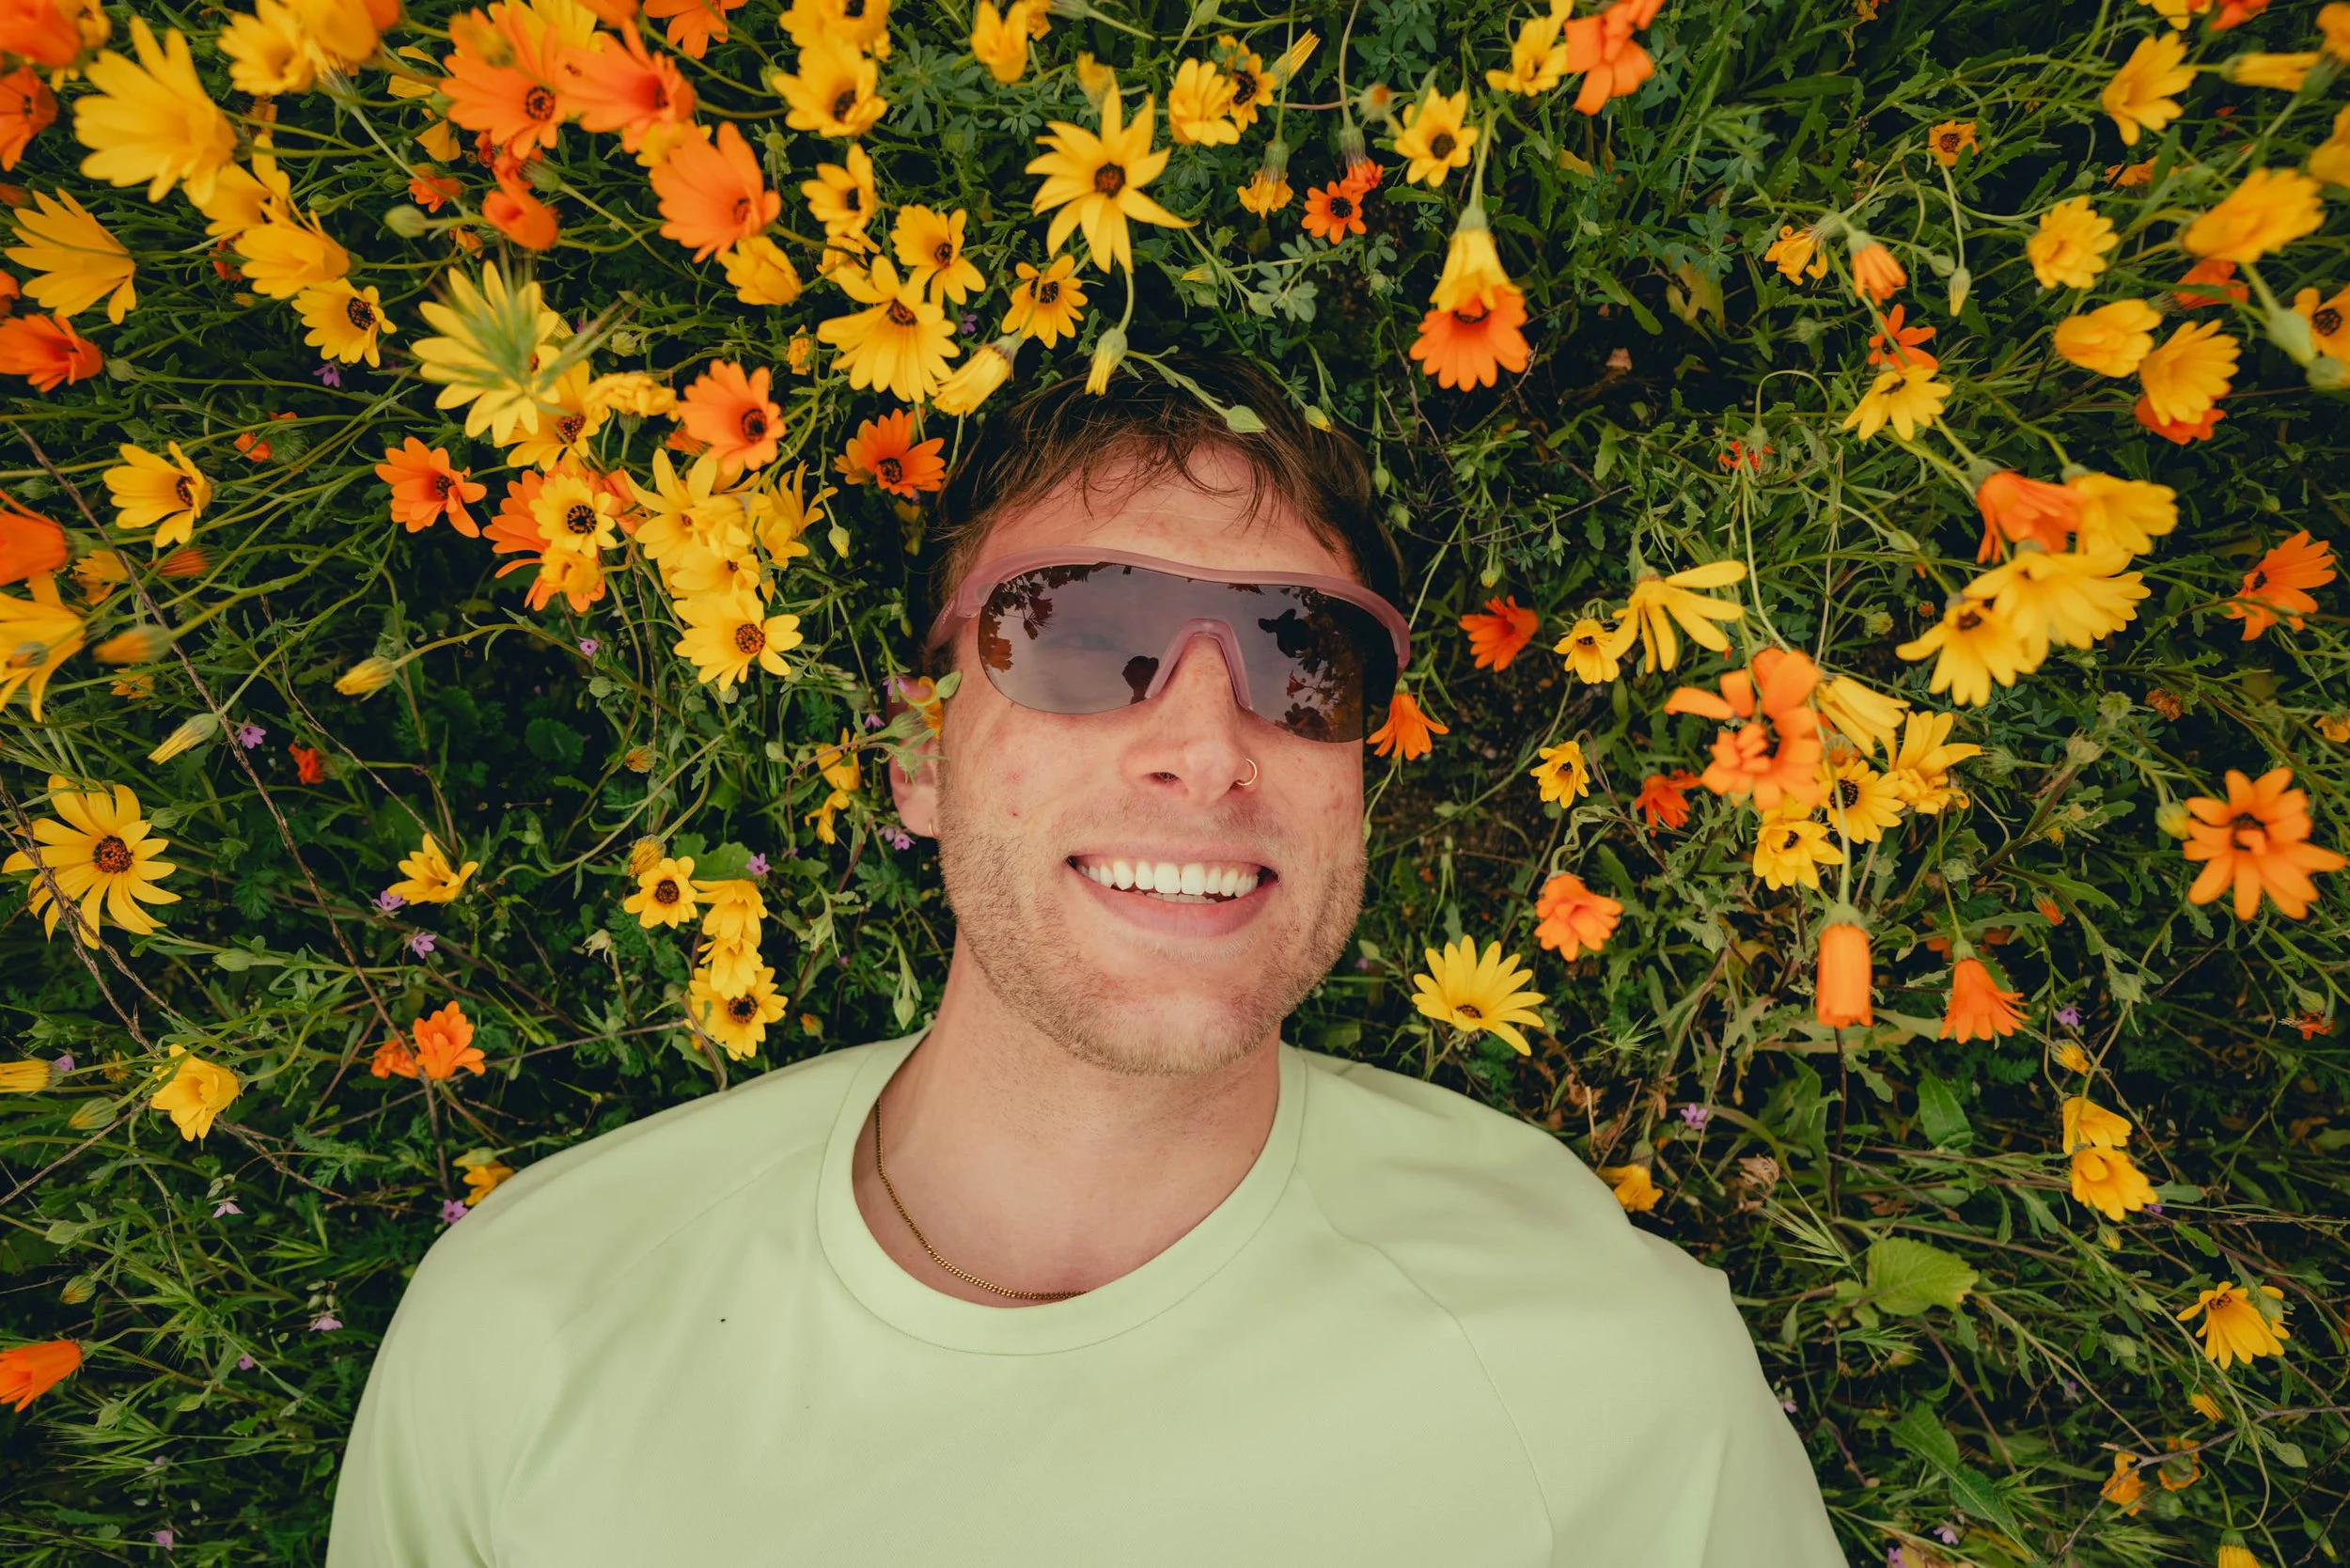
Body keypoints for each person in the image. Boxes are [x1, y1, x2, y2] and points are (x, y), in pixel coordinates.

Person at [327, 354, 1844, 1566]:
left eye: (1303, 655)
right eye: (1077, 634)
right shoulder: (526, 1324)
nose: (1205, 745)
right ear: (918, 753)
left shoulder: (1605, 1380)